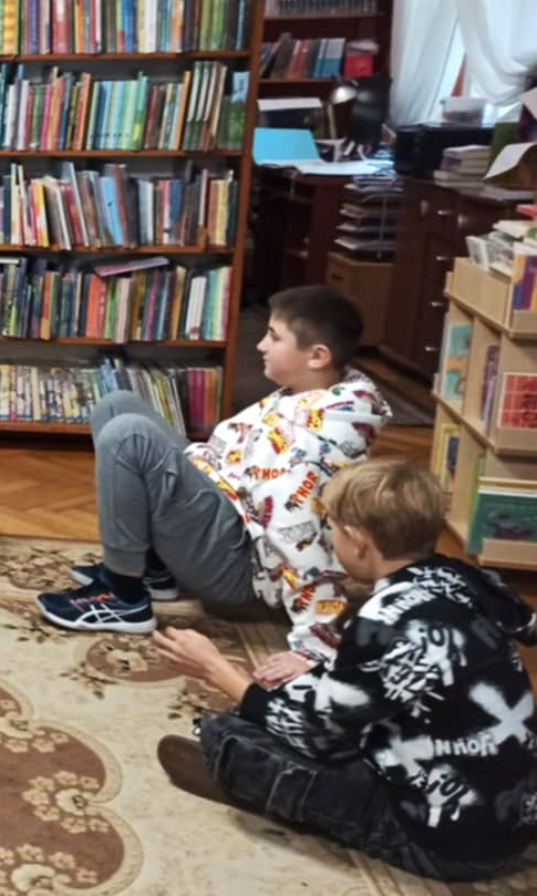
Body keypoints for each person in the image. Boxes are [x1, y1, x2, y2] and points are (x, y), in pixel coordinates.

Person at [153, 460, 537, 882]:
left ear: (357, 541)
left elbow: (312, 734)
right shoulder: (462, 575)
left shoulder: (384, 621)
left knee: (230, 731)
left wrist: (215, 668)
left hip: (445, 842)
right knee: (318, 700)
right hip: (516, 812)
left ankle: (240, 772)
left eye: (331, 528)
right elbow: (525, 624)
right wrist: (330, 662)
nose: (329, 537)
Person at [38, 285, 390, 675]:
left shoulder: (319, 439)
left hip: (238, 565)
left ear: (318, 356)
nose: (260, 345)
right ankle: (154, 570)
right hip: (227, 514)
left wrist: (314, 640)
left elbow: (303, 534)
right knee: (117, 405)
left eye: (273, 337)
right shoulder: (313, 395)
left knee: (129, 435)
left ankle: (123, 595)